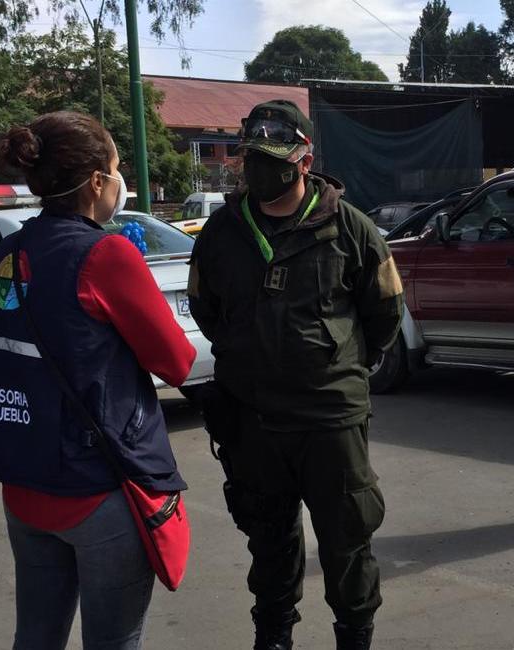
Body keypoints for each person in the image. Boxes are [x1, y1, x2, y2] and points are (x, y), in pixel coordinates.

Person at [0, 111, 196, 650]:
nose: (120, 182)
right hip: (97, 490)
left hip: (23, 484)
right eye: (116, 169)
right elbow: (177, 362)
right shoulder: (105, 252)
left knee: (36, 637)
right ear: (96, 182)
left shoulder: (11, 250)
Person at [187, 100, 403, 650]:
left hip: (330, 418)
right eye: (251, 157)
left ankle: (355, 636)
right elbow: (208, 311)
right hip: (254, 420)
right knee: (269, 538)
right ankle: (274, 636)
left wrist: (338, 366)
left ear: (304, 160)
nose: (258, 169)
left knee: (347, 540)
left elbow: (384, 314)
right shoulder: (221, 232)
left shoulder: (351, 229)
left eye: (273, 159)